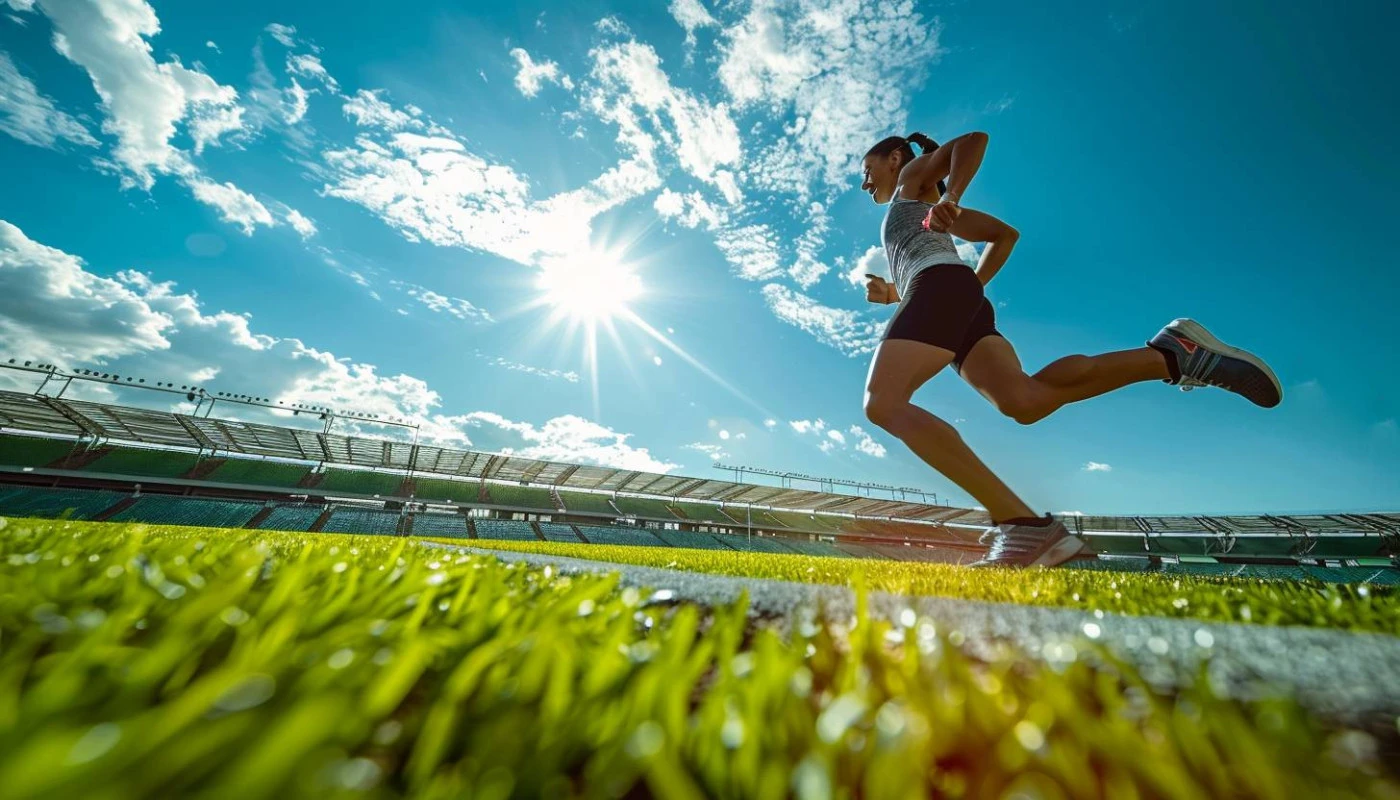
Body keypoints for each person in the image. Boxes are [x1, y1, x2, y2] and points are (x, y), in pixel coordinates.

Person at [858, 131, 1282, 568]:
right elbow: (1004, 236)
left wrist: (953, 200)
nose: (864, 183)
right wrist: (915, 292)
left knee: (884, 402)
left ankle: (1022, 526)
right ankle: (1174, 357)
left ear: (894, 159)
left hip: (942, 287)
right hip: (949, 291)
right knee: (1023, 400)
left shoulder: (911, 179)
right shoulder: (918, 209)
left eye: (867, 170)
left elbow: (972, 141)